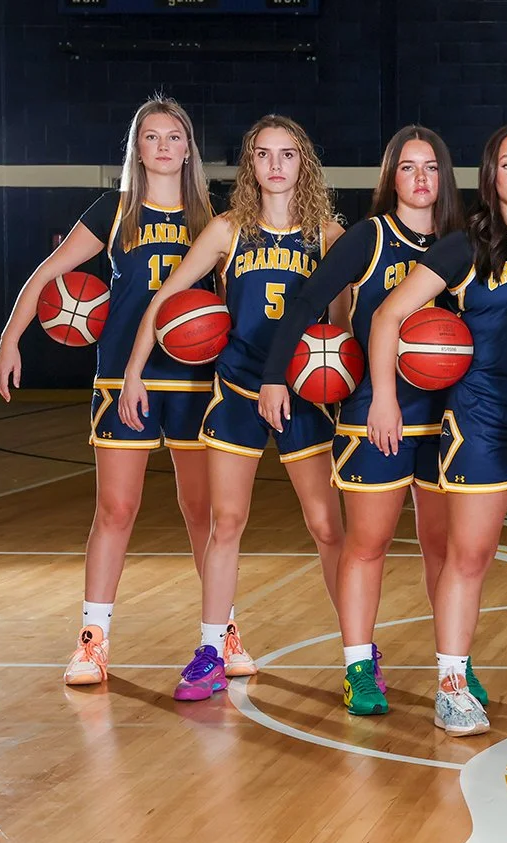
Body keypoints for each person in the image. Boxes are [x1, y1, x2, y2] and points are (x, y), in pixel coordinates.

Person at [0, 96, 216, 686]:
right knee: (116, 510)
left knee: (204, 514)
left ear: (188, 148)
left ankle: (220, 636)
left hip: (194, 381)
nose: (163, 145)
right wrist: (10, 340)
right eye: (151, 136)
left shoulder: (212, 218)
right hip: (122, 376)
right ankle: (92, 641)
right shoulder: (115, 212)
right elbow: (47, 272)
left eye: (174, 136)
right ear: (136, 149)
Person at [120, 114, 345, 701]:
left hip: (303, 393)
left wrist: (344, 384)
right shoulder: (225, 230)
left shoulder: (326, 234)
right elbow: (167, 300)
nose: (275, 165)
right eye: (264, 154)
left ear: (304, 163)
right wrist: (135, 371)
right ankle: (210, 652)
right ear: (250, 166)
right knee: (227, 524)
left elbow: (346, 323)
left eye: (287, 154)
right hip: (239, 389)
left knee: (326, 526)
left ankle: (358, 656)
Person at [365, 125, 507, 734]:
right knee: (470, 555)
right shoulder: (466, 244)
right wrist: (384, 397)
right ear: (491, 176)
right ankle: (453, 684)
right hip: (480, 417)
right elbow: (388, 314)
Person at [258, 126, 467, 714]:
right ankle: (358, 668)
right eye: (407, 167)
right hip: (375, 412)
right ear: (390, 177)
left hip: (445, 418)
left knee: (443, 551)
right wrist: (276, 374)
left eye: (430, 167)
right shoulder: (368, 237)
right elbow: (304, 300)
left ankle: (455, 670)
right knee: (368, 544)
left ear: (444, 178)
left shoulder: (462, 242)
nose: (420, 178)